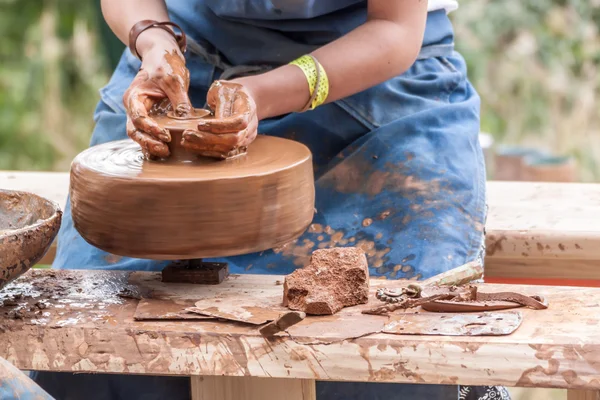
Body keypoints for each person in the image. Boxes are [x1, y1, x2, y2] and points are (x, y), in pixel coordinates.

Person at [22, 0, 506, 399]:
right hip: (184, 55)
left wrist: (262, 94)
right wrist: (152, 40)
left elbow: (395, 30)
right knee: (93, 332)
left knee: (392, 339)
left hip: (373, 69)